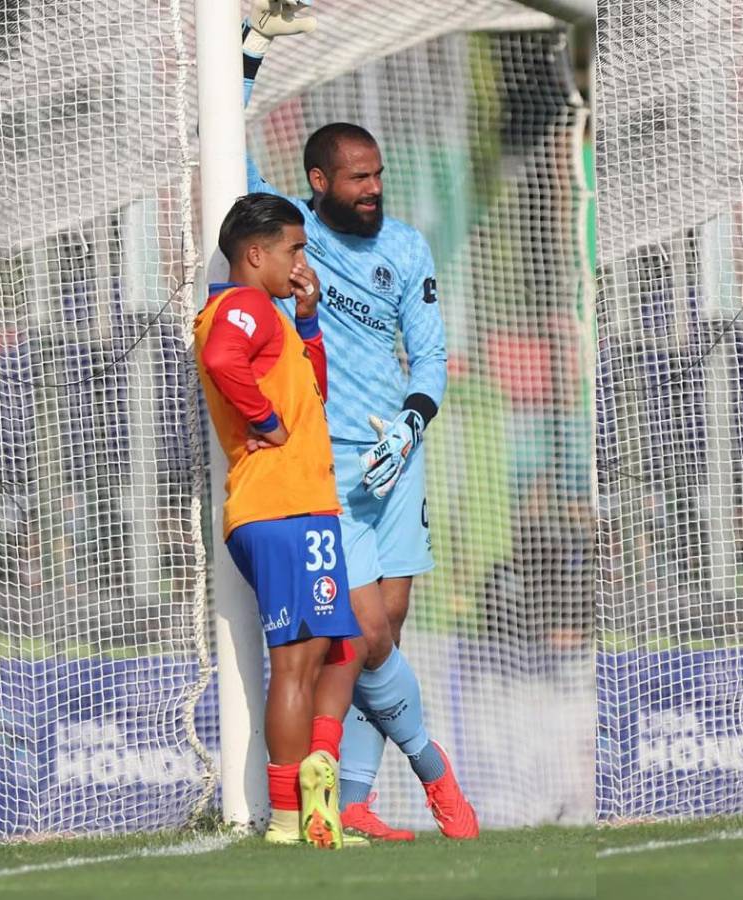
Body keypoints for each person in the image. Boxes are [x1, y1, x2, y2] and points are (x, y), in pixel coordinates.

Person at [239, 1, 478, 840]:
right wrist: (252, 52)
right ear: (318, 182)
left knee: (386, 630)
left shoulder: (406, 247)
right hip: (326, 462)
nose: (373, 189)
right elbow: (227, 144)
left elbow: (431, 353)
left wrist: (410, 425)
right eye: (357, 179)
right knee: (364, 630)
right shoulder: (291, 233)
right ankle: (432, 770)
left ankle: (353, 799)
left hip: (396, 454)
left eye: (378, 175)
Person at [194, 192, 362, 848]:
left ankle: (314, 802)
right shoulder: (244, 305)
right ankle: (292, 822)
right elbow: (221, 360)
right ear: (255, 254)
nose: (301, 263)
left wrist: (308, 320)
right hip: (285, 507)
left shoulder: (267, 314)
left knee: (327, 653)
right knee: (294, 665)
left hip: (291, 508)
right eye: (294, 249)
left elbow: (312, 394)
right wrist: (264, 421)